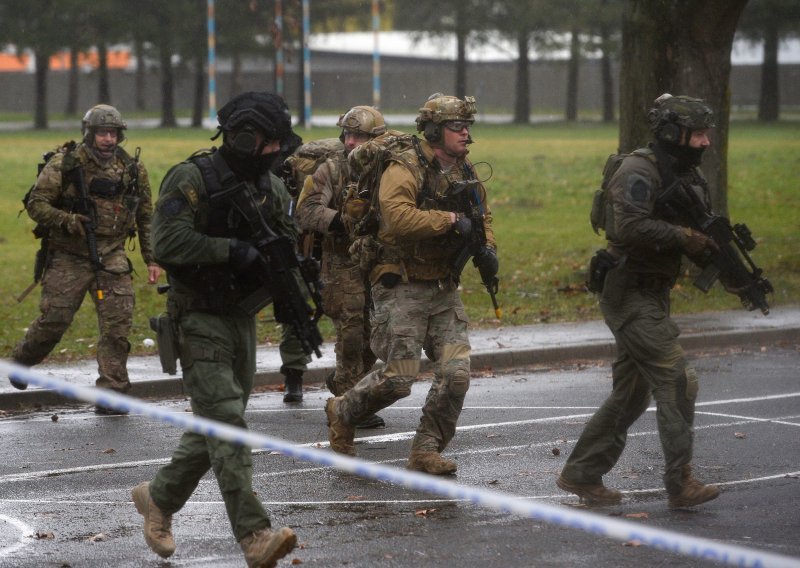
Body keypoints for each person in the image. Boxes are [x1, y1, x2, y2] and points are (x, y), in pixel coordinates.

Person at [130, 92, 298, 566]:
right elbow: (167, 240)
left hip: (241, 319)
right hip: (197, 317)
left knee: (216, 425)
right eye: (270, 144)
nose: (276, 154)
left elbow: (285, 245)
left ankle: (158, 498)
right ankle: (254, 534)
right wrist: (230, 250)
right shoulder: (192, 178)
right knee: (226, 423)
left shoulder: (272, 188)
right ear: (246, 138)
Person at [557, 93, 722, 508]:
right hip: (628, 293)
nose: (705, 142)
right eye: (698, 134)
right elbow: (630, 226)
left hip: (652, 293)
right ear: (672, 133)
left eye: (706, 134)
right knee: (679, 380)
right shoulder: (637, 170)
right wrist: (685, 238)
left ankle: (582, 473)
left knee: (630, 394)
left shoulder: (685, 174)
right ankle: (680, 483)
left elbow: (694, 227)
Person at [324, 93, 498, 475]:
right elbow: (398, 218)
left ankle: (426, 449)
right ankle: (343, 410)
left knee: (456, 374)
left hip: (442, 288)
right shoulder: (404, 166)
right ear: (435, 130)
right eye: (457, 127)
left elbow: (480, 213)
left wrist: (487, 248)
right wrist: (451, 221)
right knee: (400, 376)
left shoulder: (464, 168)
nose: (465, 133)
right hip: (401, 283)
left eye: (467, 127)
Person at [11, 104, 161, 413]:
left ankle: (112, 391)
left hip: (113, 254)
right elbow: (36, 204)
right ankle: (21, 362)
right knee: (54, 321)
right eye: (102, 133)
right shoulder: (65, 164)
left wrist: (152, 259)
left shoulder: (132, 168)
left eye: (113, 133)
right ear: (89, 134)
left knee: (117, 326)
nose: (108, 139)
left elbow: (146, 215)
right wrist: (67, 220)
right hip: (69, 255)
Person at [295, 106, 387, 428]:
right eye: (347, 135)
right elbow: (306, 211)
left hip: (374, 262)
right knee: (350, 334)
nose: (350, 142)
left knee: (373, 337)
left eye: (358, 136)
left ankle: (345, 383)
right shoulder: (331, 169)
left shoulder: (388, 169)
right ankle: (350, 404)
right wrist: (340, 221)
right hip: (340, 263)